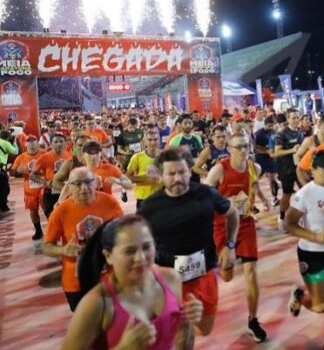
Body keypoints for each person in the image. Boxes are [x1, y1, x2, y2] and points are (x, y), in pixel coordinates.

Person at [137, 147, 240, 336]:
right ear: (161, 176)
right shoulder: (149, 207)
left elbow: (232, 213)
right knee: (178, 331)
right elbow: (138, 241)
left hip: (204, 272)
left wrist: (230, 245)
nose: (178, 178)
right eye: (171, 174)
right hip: (169, 277)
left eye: (182, 172)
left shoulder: (206, 194)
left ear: (190, 171)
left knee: (205, 329)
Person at [62, 215, 203, 350]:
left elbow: (182, 341)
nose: (140, 258)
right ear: (108, 256)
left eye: (146, 247)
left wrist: (189, 323)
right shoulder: (97, 303)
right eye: (129, 251)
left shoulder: (171, 279)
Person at [204, 133, 269, 342]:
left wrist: (263, 199)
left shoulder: (255, 167)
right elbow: (204, 196)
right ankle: (220, 263)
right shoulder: (219, 170)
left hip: (246, 224)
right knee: (227, 276)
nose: (243, 150)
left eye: (246, 146)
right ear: (229, 149)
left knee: (252, 273)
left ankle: (253, 320)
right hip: (222, 227)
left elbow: (254, 185)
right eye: (238, 147)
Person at [285, 150, 324, 350]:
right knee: (320, 306)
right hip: (311, 255)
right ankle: (299, 296)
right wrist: (315, 237)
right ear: (312, 171)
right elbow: (289, 225)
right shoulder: (304, 194)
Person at [43, 167, 124, 311]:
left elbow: (123, 234)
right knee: (86, 320)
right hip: (76, 281)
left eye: (88, 182)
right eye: (77, 184)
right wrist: (63, 250)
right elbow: (47, 247)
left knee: (114, 317)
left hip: (110, 277)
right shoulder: (60, 212)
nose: (84, 188)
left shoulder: (110, 203)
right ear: (69, 187)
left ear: (95, 183)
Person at [271, 108, 304, 229]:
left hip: (299, 167)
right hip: (286, 168)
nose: (296, 120)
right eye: (293, 118)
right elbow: (277, 152)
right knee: (287, 195)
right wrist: (292, 150)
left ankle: (302, 217)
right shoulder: (282, 134)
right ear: (288, 119)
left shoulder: (300, 132)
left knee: (305, 192)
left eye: (297, 117)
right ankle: (281, 217)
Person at [10, 134, 45, 238]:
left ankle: (55, 229)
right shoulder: (20, 158)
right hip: (30, 190)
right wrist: (18, 171)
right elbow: (12, 172)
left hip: (45, 187)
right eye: (29, 143)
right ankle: (38, 231)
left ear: (38, 143)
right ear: (25, 144)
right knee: (33, 210)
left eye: (34, 142)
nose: (32, 145)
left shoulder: (44, 154)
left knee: (48, 209)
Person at [30, 132, 71, 220]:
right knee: (52, 218)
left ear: (65, 144)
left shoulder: (70, 155)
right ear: (51, 144)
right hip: (50, 192)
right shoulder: (44, 157)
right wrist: (46, 182)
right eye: (55, 142)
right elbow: (32, 175)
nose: (59, 144)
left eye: (61, 141)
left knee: (67, 218)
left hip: (66, 190)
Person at [127, 128, 162, 209]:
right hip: (143, 198)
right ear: (145, 141)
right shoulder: (137, 157)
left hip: (161, 197)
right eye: (150, 140)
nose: (153, 142)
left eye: (155, 139)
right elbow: (128, 177)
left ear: (159, 141)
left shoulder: (166, 155)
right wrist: (146, 179)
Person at [254, 116, 280, 205]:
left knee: (272, 179)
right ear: (265, 124)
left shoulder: (274, 132)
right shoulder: (258, 134)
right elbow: (255, 149)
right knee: (255, 180)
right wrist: (266, 151)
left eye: (272, 126)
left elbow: (275, 143)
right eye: (269, 126)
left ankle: (275, 198)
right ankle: (254, 198)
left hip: (271, 159)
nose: (271, 127)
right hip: (260, 159)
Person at [0, 129, 18, 212]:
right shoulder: (5, 143)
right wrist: (14, 142)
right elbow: (15, 151)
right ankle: (3, 206)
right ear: (8, 137)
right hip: (1, 169)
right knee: (4, 188)